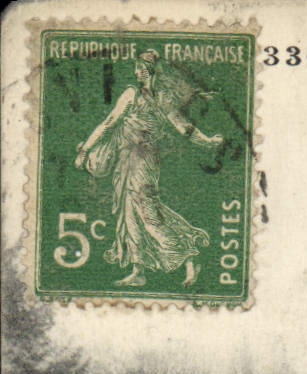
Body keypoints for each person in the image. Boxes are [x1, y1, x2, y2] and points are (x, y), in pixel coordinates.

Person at [74, 50, 223, 288]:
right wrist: (85, 149)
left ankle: (189, 257)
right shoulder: (142, 95)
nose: (135, 72)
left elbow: (184, 128)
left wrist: (208, 141)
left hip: (143, 161)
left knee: (149, 215)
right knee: (129, 213)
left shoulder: (150, 97)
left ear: (149, 70)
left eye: (139, 67)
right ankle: (138, 270)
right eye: (135, 68)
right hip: (127, 160)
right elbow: (110, 123)